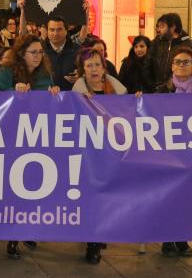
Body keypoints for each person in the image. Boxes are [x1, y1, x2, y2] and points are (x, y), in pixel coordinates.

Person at [0, 34, 58, 258]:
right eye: (33, 52)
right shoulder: (7, 72)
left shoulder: (44, 74)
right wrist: (12, 92)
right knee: (15, 189)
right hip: (11, 138)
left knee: (33, 186)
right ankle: (13, 237)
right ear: (22, 54)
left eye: (40, 52)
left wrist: (54, 95)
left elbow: (47, 103)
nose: (38, 56)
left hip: (35, 137)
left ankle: (29, 228)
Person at [70, 47, 127, 264]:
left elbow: (126, 114)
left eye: (97, 64)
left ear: (104, 67)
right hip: (87, 154)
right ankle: (92, 243)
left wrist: (136, 100)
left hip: (110, 152)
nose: (94, 69)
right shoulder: (77, 91)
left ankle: (100, 234)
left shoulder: (117, 89)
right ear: (82, 70)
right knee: (91, 197)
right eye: (89, 65)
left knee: (106, 196)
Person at [155, 48, 192, 258]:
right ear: (171, 66)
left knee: (188, 197)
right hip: (168, 153)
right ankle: (168, 238)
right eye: (177, 62)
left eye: (186, 62)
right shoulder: (160, 91)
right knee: (168, 196)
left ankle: (183, 238)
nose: (180, 65)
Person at [150, 13, 192, 86]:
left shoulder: (191, 45)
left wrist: (178, 85)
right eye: (158, 27)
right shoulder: (155, 44)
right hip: (157, 92)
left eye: (162, 26)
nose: (159, 30)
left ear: (173, 27)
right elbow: (147, 66)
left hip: (182, 92)